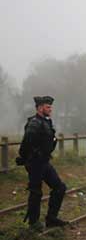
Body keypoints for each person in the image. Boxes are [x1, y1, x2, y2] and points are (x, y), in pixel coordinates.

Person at [16, 96, 68, 229]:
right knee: (36, 192)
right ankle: (33, 223)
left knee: (59, 187)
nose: (50, 109)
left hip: (44, 162)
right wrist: (25, 157)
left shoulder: (46, 122)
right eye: (47, 107)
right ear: (39, 108)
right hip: (35, 163)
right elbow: (26, 142)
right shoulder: (34, 123)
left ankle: (51, 218)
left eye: (50, 107)